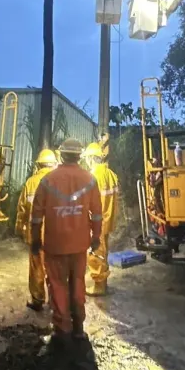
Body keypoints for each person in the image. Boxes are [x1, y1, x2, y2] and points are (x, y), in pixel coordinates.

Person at [31, 138, 102, 342]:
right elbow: (97, 213)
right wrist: (96, 237)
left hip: (55, 244)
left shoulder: (47, 181)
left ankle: (63, 329)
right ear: (80, 156)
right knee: (78, 283)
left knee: (58, 285)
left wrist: (35, 239)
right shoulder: (89, 180)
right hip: (80, 245)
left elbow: (36, 215)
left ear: (61, 155)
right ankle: (78, 327)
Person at [15, 148, 58, 311]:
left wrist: (19, 227)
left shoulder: (31, 182)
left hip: (35, 234)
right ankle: (55, 301)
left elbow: (22, 209)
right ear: (53, 164)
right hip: (55, 234)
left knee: (36, 268)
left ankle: (38, 299)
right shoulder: (58, 182)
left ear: (38, 165)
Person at [82, 142, 119, 296]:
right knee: (103, 252)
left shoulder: (93, 176)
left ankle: (99, 286)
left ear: (91, 158)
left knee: (95, 253)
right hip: (108, 220)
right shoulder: (111, 174)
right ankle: (103, 283)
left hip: (96, 222)